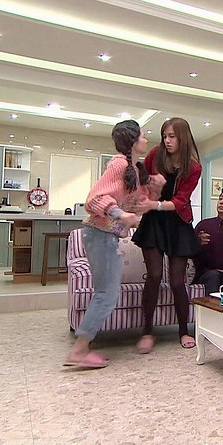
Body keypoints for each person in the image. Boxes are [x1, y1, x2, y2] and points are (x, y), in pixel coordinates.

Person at [64, 120, 164, 369]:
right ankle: (79, 350)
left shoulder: (134, 170)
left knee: (106, 293)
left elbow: (139, 203)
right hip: (99, 233)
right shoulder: (119, 164)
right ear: (132, 140)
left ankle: (82, 346)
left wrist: (156, 189)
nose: (146, 139)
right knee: (107, 294)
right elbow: (94, 199)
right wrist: (121, 214)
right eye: (142, 135)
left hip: (106, 236)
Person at [131, 117, 202, 352]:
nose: (167, 141)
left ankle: (184, 330)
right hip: (153, 222)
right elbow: (142, 181)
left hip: (177, 222)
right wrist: (145, 194)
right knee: (153, 275)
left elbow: (181, 201)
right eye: (165, 136)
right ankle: (147, 331)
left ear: (183, 138)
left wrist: (155, 204)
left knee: (177, 281)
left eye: (172, 136)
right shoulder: (155, 154)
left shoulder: (194, 167)